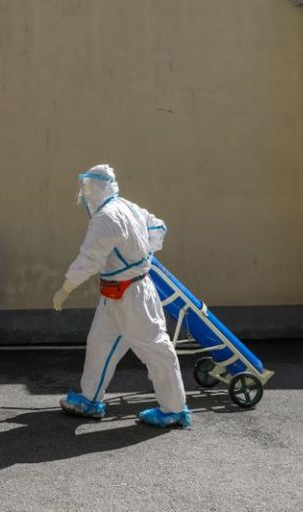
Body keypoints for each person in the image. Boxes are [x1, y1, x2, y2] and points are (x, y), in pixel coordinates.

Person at [53, 164, 191, 428]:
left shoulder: (106, 217)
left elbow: (90, 258)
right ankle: (90, 399)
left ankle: (174, 409)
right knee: (100, 345)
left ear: (100, 187)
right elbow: (158, 225)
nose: (85, 194)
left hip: (132, 297)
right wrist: (143, 254)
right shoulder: (127, 206)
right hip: (116, 294)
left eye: (89, 187)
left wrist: (66, 288)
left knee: (156, 349)